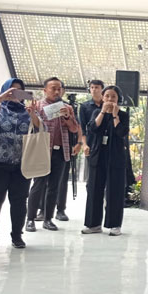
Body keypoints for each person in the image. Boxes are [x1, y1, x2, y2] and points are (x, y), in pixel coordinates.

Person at [0, 79, 41, 248]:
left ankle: (17, 236)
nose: (15, 94)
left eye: (20, 91)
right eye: (11, 91)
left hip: (22, 164)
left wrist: (33, 115)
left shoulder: (28, 111)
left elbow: (42, 131)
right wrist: (0, 98)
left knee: (19, 201)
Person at [26, 77, 79, 232]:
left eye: (59, 89)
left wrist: (67, 118)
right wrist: (33, 114)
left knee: (54, 187)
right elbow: (34, 126)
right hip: (43, 150)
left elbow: (75, 129)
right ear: (45, 90)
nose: (56, 91)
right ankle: (30, 219)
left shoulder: (67, 107)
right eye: (53, 88)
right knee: (38, 184)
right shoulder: (38, 106)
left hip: (61, 151)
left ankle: (48, 219)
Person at [82, 85, 130, 236]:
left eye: (113, 97)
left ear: (118, 99)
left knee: (115, 191)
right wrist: (103, 112)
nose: (110, 99)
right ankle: (93, 224)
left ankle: (115, 225)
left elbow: (121, 132)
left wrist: (115, 116)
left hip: (116, 158)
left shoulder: (123, 115)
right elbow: (91, 128)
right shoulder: (97, 112)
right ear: (102, 98)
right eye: (107, 96)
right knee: (94, 189)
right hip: (98, 156)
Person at [79, 80, 104, 182]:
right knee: (92, 174)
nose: (94, 90)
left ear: (102, 89)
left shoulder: (107, 104)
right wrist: (84, 145)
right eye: (92, 87)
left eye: (97, 87)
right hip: (91, 141)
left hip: (105, 140)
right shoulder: (85, 106)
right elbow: (82, 127)